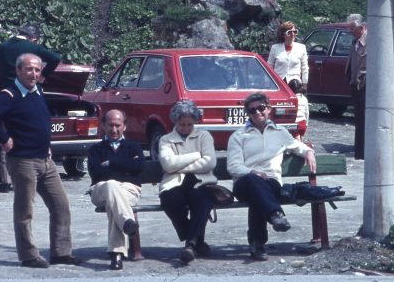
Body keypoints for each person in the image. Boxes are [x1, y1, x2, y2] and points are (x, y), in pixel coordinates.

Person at [0, 53, 81, 268]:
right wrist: (4, 138)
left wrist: (47, 147)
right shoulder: (10, 95)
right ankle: (28, 255)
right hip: (24, 162)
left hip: (45, 160)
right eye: (29, 69)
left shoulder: (38, 91)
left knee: (61, 205)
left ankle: (61, 252)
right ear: (18, 71)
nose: (33, 74)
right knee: (25, 211)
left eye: (37, 70)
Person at [227, 92, 317, 261]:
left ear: (269, 109)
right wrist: (251, 172)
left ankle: (258, 243)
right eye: (252, 110)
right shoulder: (239, 136)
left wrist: (309, 152)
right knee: (255, 183)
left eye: (261, 108)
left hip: (271, 183)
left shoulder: (279, 132)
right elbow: (233, 166)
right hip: (244, 183)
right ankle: (275, 214)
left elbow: (297, 146)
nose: (257, 112)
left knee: (259, 196)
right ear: (247, 114)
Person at [0, 23, 62, 192]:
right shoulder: (32, 48)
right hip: (29, 96)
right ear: (34, 38)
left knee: (6, 136)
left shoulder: (3, 47)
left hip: (7, 94)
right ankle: (37, 174)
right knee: (34, 132)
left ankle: (6, 181)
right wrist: (43, 75)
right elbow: (55, 58)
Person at [158, 100, 217, 263]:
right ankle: (197, 240)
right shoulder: (166, 140)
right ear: (175, 122)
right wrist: (196, 156)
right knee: (169, 199)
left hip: (200, 181)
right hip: (174, 182)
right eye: (181, 124)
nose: (185, 128)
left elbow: (210, 162)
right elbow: (168, 165)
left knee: (203, 200)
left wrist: (180, 166)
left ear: (195, 122)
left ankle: (190, 245)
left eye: (189, 124)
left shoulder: (204, 136)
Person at [87, 109, 145, 270]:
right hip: (101, 189)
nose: (114, 130)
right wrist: (125, 167)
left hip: (129, 189)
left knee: (115, 202)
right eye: (110, 125)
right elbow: (96, 172)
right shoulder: (95, 149)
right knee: (112, 185)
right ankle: (127, 222)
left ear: (124, 126)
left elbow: (139, 168)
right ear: (103, 126)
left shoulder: (134, 147)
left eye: (118, 125)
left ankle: (116, 254)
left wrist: (110, 163)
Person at [344, 13, 367, 160]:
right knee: (358, 120)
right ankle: (359, 152)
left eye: (353, 29)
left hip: (365, 85)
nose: (350, 32)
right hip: (355, 84)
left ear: (361, 27)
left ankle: (365, 151)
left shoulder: (371, 41)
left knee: (365, 119)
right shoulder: (355, 42)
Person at [267, 21, 309, 86]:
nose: (293, 34)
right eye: (289, 32)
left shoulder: (301, 48)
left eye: (295, 32)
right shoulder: (275, 48)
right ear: (283, 35)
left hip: (295, 85)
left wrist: (305, 84)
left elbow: (304, 68)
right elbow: (269, 67)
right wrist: (268, 84)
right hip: (278, 84)